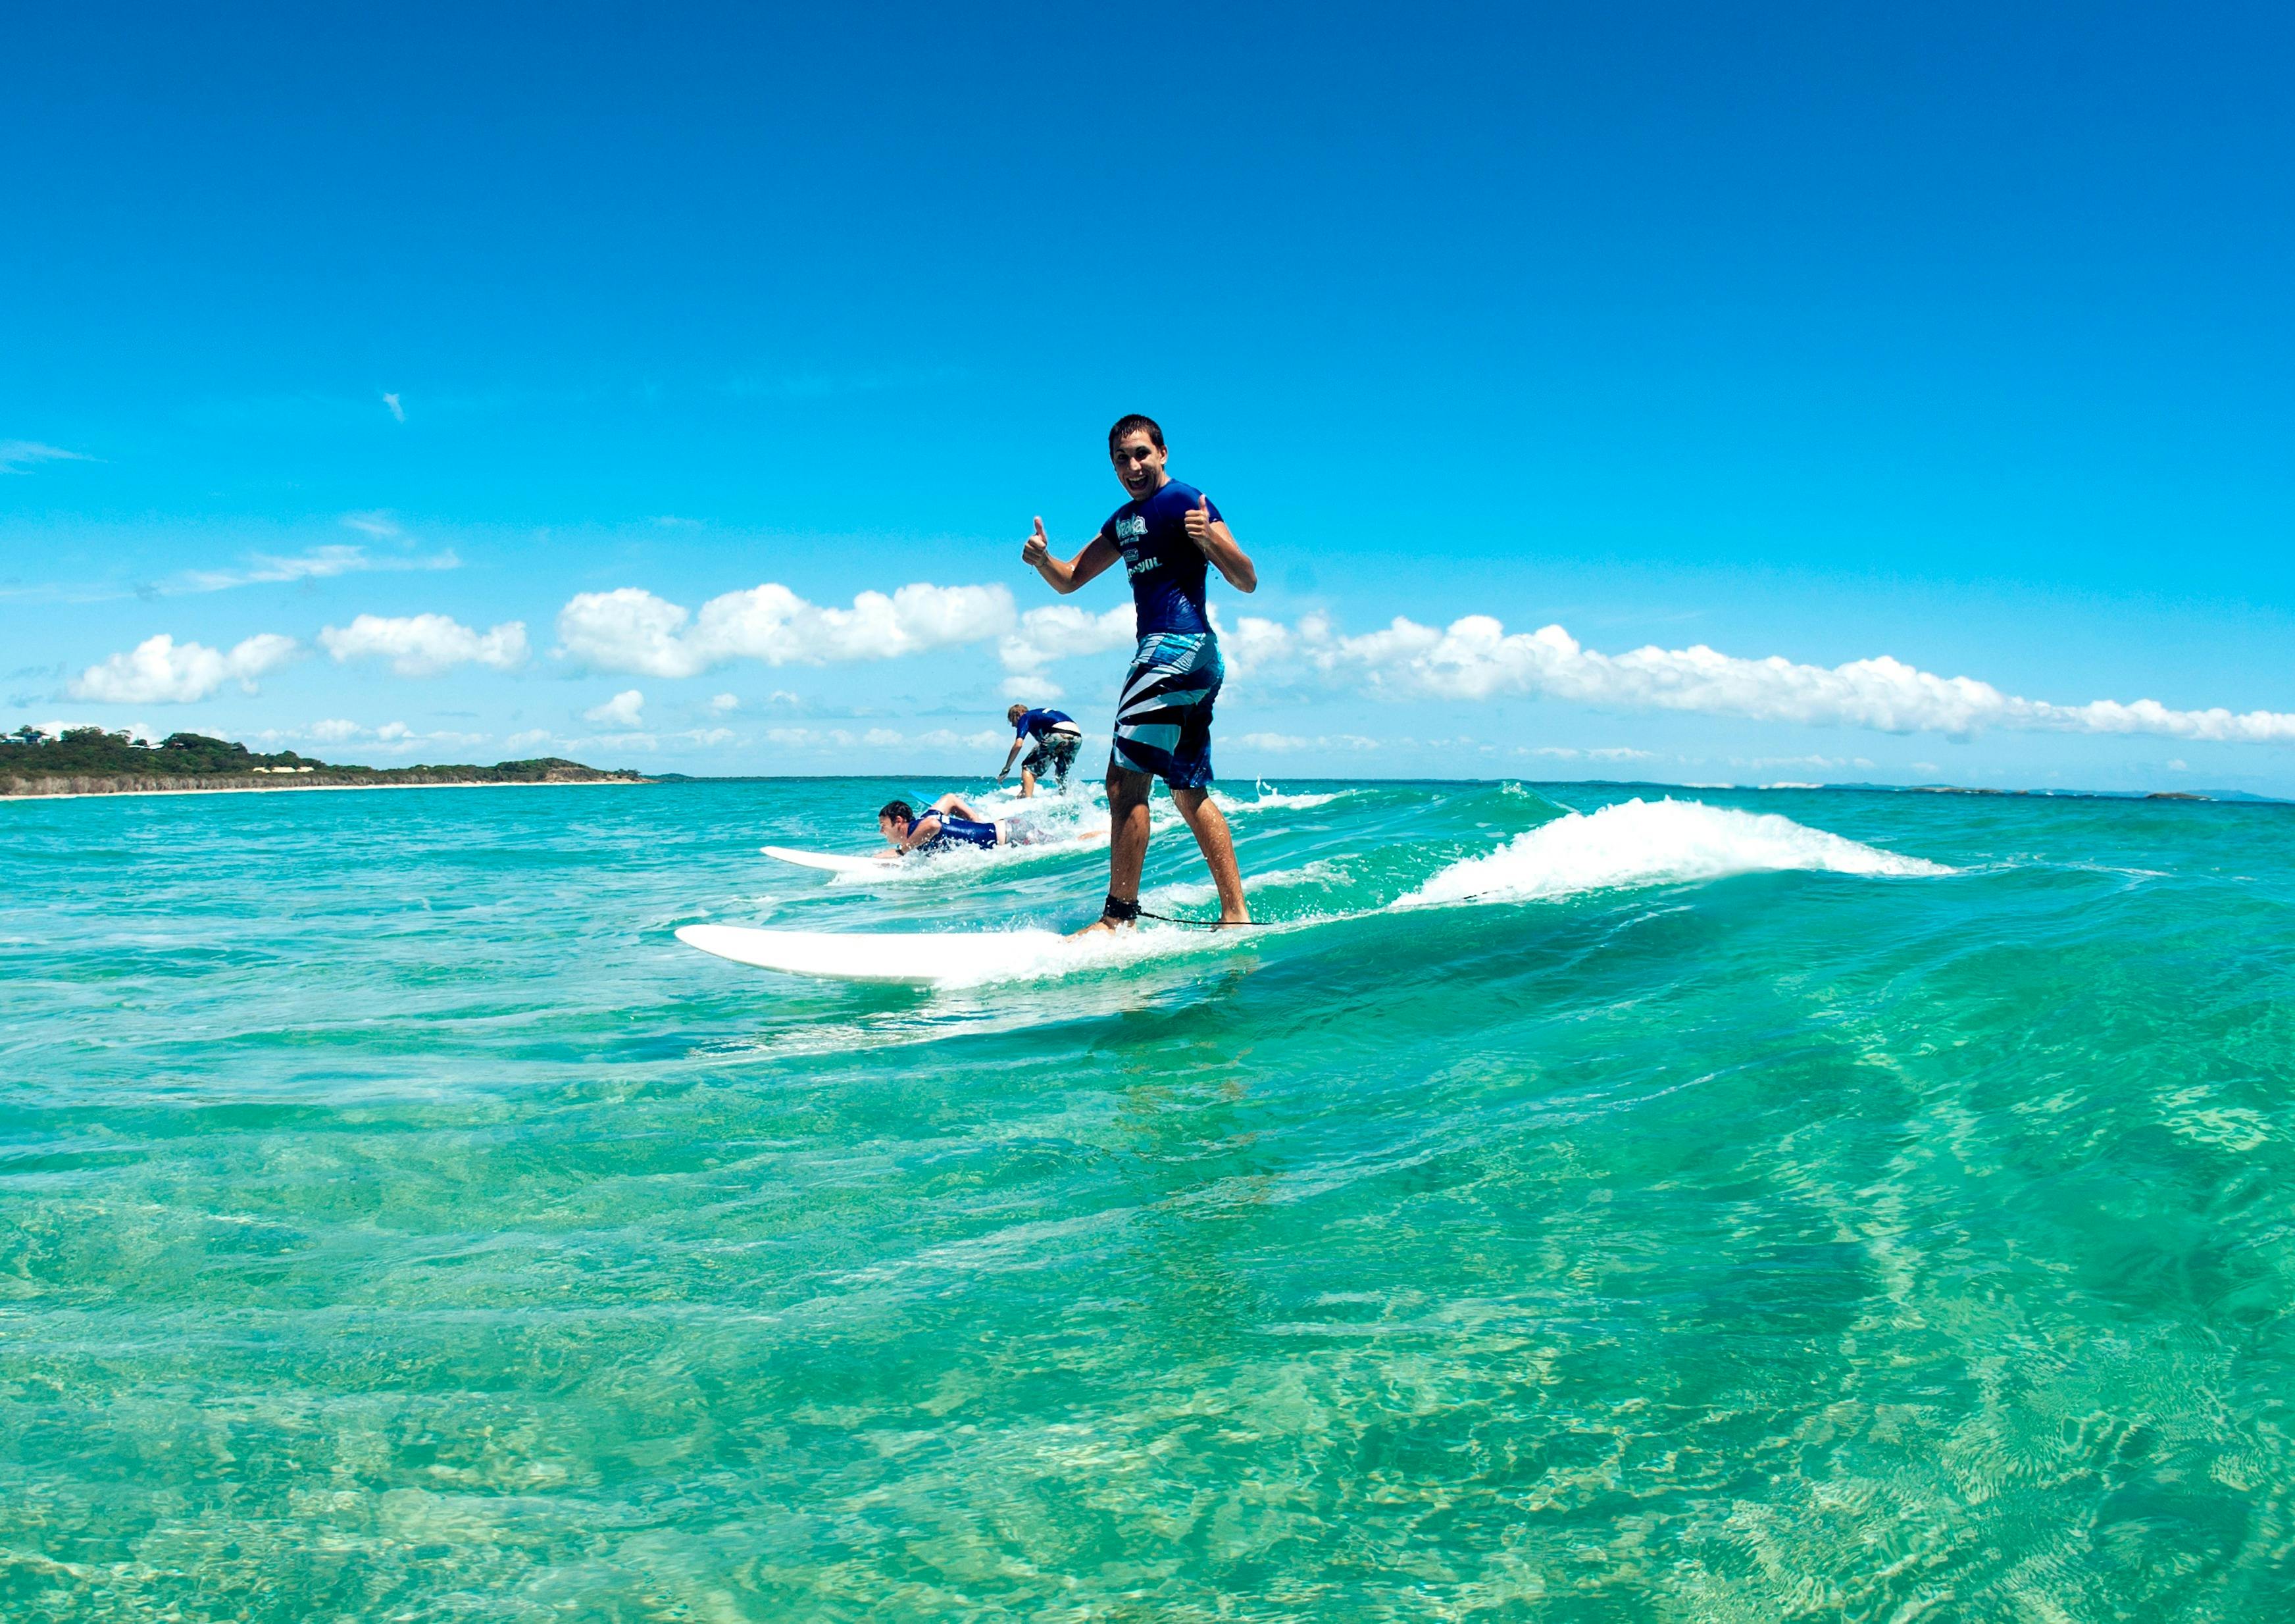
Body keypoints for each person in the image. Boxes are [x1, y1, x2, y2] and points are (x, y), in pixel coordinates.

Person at [1020, 413, 1257, 930]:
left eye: (1142, 453)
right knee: (1187, 790)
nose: (1133, 465)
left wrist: (1212, 542)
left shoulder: (1183, 501)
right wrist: (1042, 560)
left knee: (1124, 785)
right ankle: (1235, 913)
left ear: (1163, 452)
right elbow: (1070, 580)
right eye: (1122, 459)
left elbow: (1246, 578)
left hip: (1172, 650)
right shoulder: (1123, 520)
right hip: (1194, 660)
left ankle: (1118, 919)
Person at [875, 795, 1094, 858]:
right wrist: (976, 821)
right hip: (1008, 829)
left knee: (1072, 845)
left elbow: (933, 825)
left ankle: (1105, 836)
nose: (881, 831)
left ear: (899, 822)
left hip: (1012, 835)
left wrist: (901, 852)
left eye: (883, 826)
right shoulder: (924, 820)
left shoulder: (920, 828)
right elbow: (950, 799)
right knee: (1065, 842)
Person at [999, 703, 1084, 796]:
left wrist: (1006, 768)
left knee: (1028, 767)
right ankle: (1065, 798)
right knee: (1061, 773)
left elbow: (1018, 745)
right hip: (1077, 737)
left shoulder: (1025, 717)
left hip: (1058, 733)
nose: (1013, 725)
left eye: (1012, 721)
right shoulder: (1040, 718)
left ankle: (1027, 802)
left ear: (1018, 714)